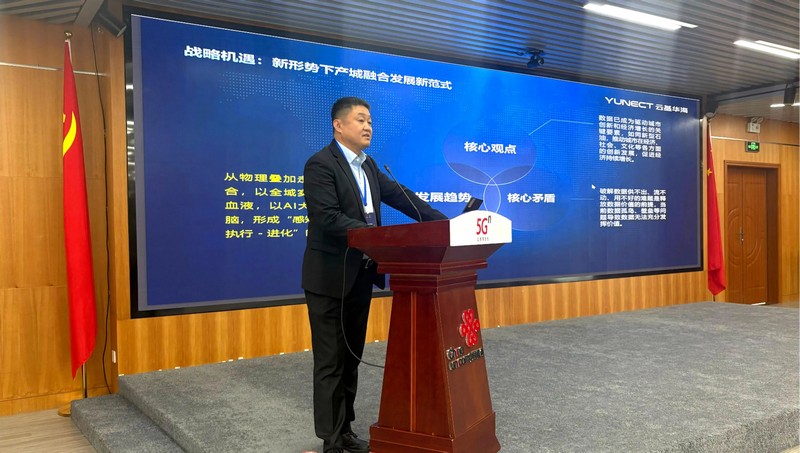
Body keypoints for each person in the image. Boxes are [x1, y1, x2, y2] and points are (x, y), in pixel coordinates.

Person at [302, 97, 447, 453]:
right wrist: (379, 238)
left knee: (351, 357)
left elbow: (403, 197)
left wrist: (445, 224)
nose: (368, 126)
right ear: (338, 125)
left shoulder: (367, 166)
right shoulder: (321, 164)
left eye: (370, 120)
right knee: (331, 361)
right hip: (329, 278)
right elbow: (328, 218)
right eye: (360, 120)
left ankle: (345, 431)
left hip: (361, 275)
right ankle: (332, 441)